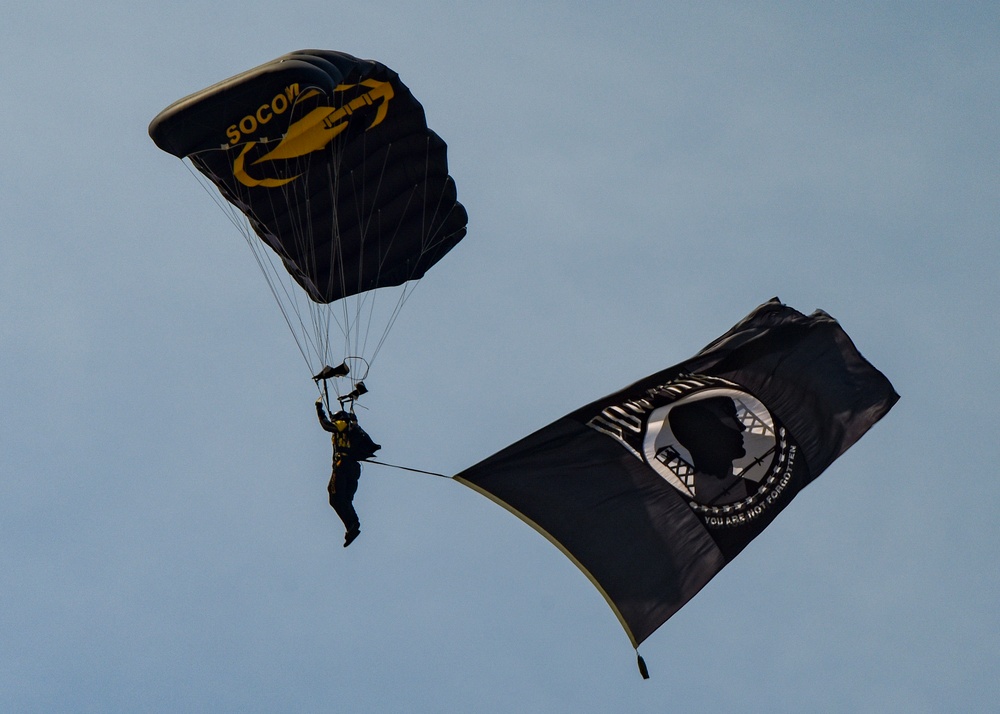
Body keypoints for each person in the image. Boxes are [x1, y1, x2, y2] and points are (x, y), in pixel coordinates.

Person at [316, 398, 381, 547]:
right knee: (344, 500)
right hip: (353, 469)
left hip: (343, 466)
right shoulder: (354, 428)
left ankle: (352, 524)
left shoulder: (343, 424)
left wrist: (319, 409)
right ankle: (352, 527)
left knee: (334, 496)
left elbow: (326, 425)